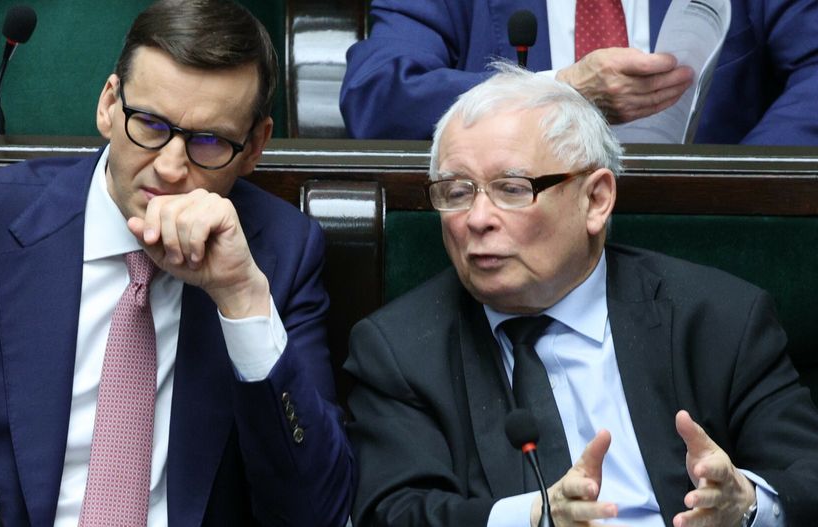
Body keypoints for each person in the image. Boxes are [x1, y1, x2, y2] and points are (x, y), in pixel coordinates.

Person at [0, 0, 354, 525]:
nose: (170, 168)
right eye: (149, 124)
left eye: (208, 141)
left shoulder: (279, 257)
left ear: (254, 146)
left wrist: (242, 300)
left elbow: (318, 512)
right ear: (109, 105)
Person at [344, 62, 818, 527]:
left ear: (595, 200)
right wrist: (531, 519)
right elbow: (392, 511)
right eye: (456, 192)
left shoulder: (718, 318)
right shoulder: (399, 349)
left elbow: (808, 477)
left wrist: (747, 503)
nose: (477, 219)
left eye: (512, 189)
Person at [339, 0, 818, 145]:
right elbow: (378, 94)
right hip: (521, 236)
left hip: (704, 239)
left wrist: (737, 190)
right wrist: (560, 90)